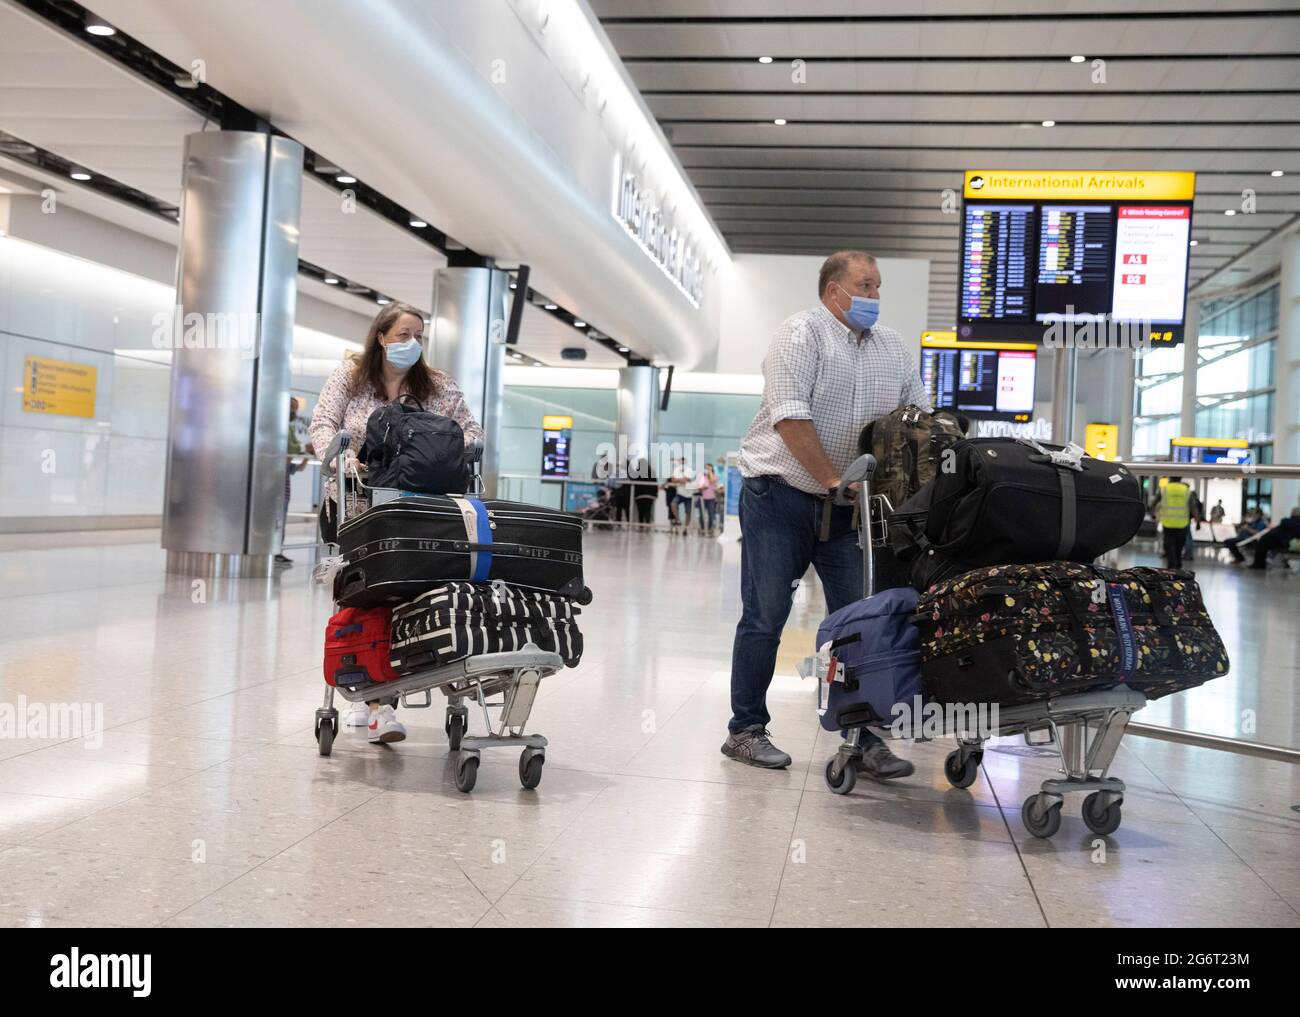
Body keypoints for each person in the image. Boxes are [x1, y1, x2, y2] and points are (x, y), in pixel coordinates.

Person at [724, 250, 927, 777]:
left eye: (879, 286)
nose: (875, 297)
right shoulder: (800, 335)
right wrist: (834, 480)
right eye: (865, 285)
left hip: (850, 510)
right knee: (766, 616)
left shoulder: (895, 349)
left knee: (862, 622)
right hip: (781, 495)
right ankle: (745, 731)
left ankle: (864, 735)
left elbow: (916, 420)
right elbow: (791, 417)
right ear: (833, 289)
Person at [309, 302, 484, 744]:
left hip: (423, 510)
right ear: (381, 337)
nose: (412, 344)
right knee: (374, 590)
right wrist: (343, 456)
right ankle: (379, 703)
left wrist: (444, 450)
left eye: (419, 336)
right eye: (403, 334)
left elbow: (473, 434)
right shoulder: (350, 377)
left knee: (422, 589)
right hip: (358, 506)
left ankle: (398, 686)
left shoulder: (438, 386)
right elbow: (323, 424)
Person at [277, 397, 312, 566]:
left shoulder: (288, 427)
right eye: (292, 408)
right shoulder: (279, 427)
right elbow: (290, 447)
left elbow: (294, 466)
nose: (294, 412)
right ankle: (274, 551)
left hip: (284, 489)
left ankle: (277, 551)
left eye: (296, 409)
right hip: (276, 489)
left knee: (280, 521)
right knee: (277, 521)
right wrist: (305, 449)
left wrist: (306, 456)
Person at [1230, 505, 1300, 569]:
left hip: (1282, 541)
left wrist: (1248, 529)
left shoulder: (1290, 521)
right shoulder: (1290, 522)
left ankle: (1258, 564)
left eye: (1293, 512)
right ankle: (1255, 562)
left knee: (1263, 541)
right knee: (1263, 541)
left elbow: (1283, 523)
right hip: (1279, 540)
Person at [1154, 475, 1192, 571]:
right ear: (1180, 478)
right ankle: (1178, 563)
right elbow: (1193, 505)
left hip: (1168, 523)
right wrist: (1198, 520)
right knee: (1179, 545)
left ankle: (1171, 564)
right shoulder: (1186, 489)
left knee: (1169, 544)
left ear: (1170, 478)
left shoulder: (1165, 489)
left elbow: (1154, 502)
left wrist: (1152, 512)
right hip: (1182, 523)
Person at [696, 463, 719, 535]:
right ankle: (703, 528)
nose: (707, 469)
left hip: (711, 498)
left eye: (709, 468)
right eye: (706, 468)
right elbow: (698, 487)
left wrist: (710, 472)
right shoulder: (702, 477)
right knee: (702, 514)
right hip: (702, 498)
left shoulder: (715, 476)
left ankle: (709, 529)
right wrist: (701, 488)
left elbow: (712, 480)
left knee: (711, 514)